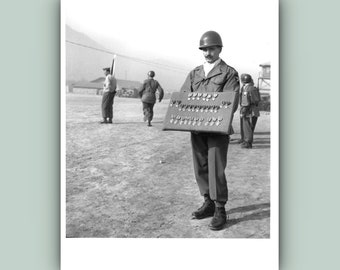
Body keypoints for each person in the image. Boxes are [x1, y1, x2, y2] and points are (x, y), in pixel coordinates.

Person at [180, 31, 240, 230]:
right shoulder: (194, 73)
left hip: (217, 128)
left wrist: (210, 114)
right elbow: (184, 96)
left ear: (219, 49)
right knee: (201, 166)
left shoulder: (229, 73)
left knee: (216, 167)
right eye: (204, 49)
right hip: (196, 128)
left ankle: (220, 208)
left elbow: (230, 101)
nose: (207, 52)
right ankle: (208, 202)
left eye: (211, 48)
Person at [238, 73, 260, 148]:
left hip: (249, 110)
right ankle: (246, 141)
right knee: (249, 127)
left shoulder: (247, 89)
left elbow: (246, 102)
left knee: (247, 127)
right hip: (253, 109)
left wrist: (243, 111)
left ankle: (247, 142)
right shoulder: (253, 87)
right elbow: (257, 99)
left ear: (243, 81)